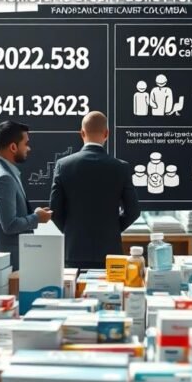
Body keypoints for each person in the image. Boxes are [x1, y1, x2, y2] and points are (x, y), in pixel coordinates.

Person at [49, 112, 140, 269]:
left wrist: (71, 230)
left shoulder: (63, 165)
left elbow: (54, 211)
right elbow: (133, 211)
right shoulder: (120, 167)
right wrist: (113, 228)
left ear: (82, 133)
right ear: (107, 134)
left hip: (74, 251)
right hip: (110, 252)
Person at [0, 121, 51, 269]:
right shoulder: (3, 178)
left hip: (1, 256)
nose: (28, 148)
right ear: (13, 147)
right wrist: (37, 217)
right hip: (6, 260)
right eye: (25, 143)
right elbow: (10, 225)